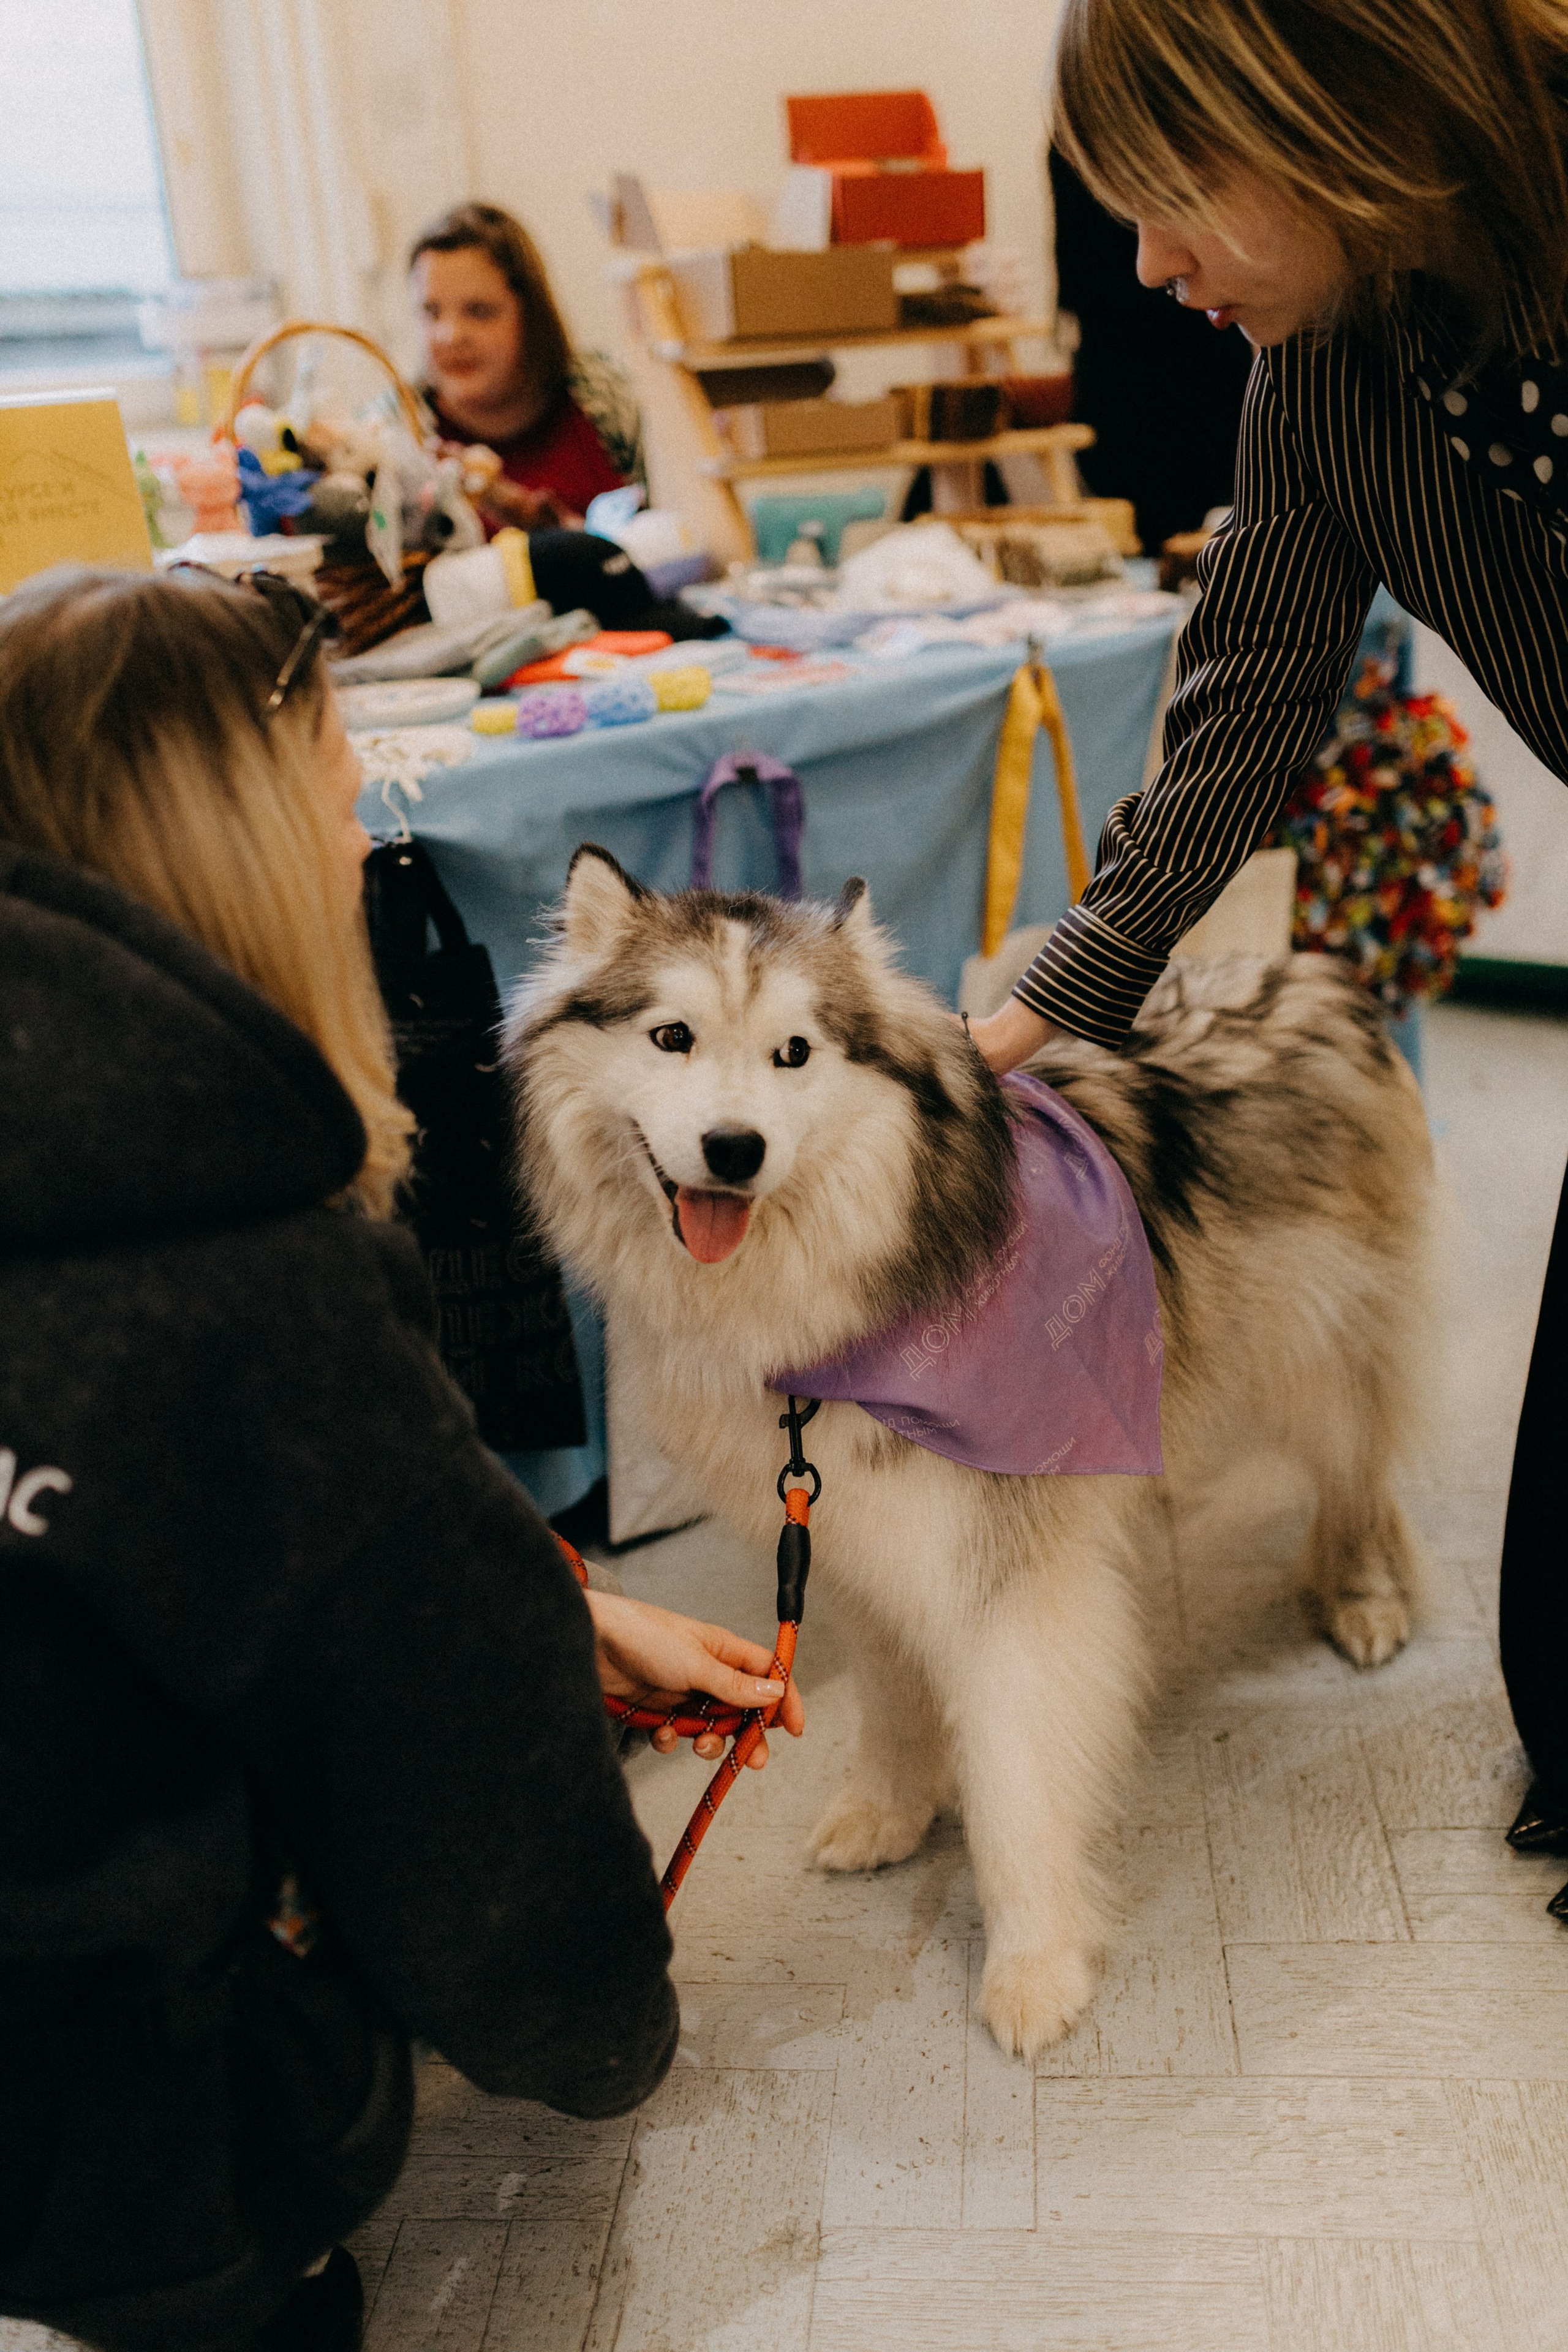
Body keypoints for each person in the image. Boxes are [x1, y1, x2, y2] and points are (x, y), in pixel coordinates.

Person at [0, 563, 801, 2352]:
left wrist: (552, 1587)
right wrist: (599, 2030)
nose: (358, 820)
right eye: (336, 785)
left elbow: (121, 1553)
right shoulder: (261, 1280)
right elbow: (452, 1752)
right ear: (237, 844)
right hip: (128, 2140)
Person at [965, 0, 1568, 1905]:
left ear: (1320, 111)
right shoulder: (1325, 373)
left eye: (1168, 198)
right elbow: (1241, 701)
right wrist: (1059, 989)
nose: (1145, 267)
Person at [409, 201, 643, 532]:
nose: (450, 336)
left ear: (531, 315)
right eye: (432, 312)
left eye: (479, 311)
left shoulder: (608, 396)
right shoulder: (394, 431)